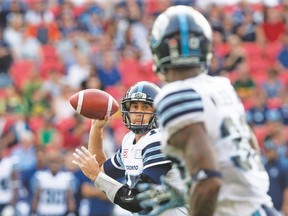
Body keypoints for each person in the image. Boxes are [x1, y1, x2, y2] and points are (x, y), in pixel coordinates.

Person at [136, 5, 280, 216]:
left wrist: (198, 193)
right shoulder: (221, 86)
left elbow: (209, 179)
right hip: (260, 207)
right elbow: (248, 147)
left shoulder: (175, 96)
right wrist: (188, 190)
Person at [72, 81, 188, 215]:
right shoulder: (129, 140)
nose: (139, 112)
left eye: (145, 107)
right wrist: (96, 128)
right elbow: (102, 170)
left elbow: (137, 201)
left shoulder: (159, 141)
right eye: (135, 106)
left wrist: (96, 176)